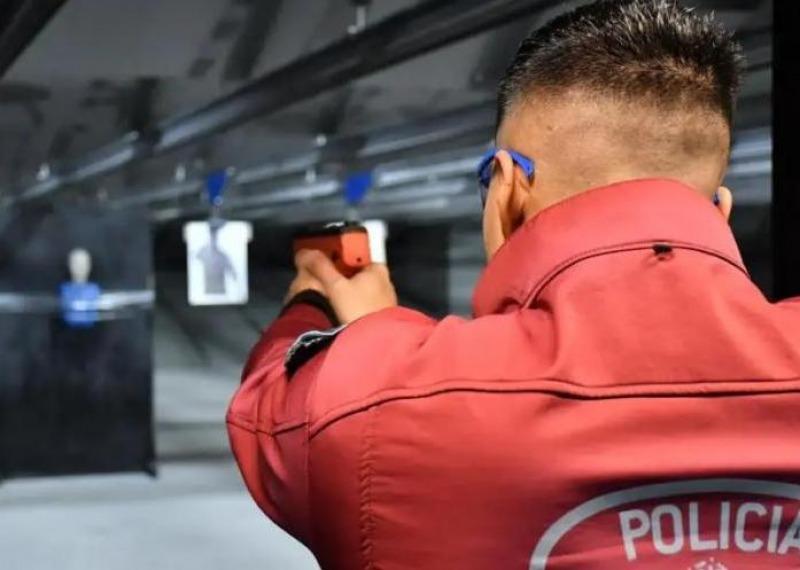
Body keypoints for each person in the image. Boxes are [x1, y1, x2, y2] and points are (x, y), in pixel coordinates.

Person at [227, 1, 800, 568]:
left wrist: (331, 313)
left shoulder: (377, 403)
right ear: (719, 211)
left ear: (507, 192)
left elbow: (269, 406)